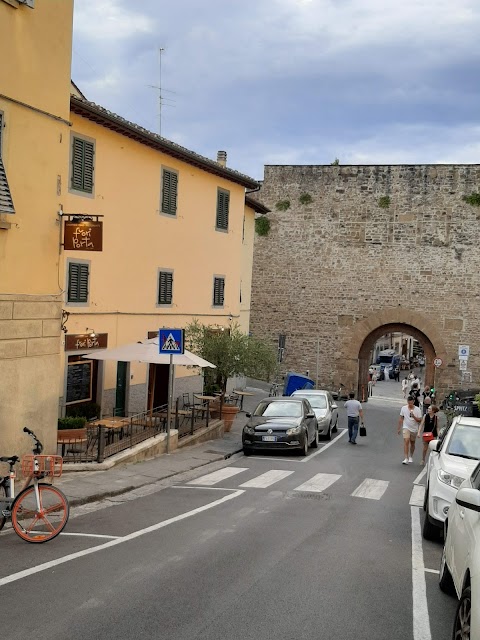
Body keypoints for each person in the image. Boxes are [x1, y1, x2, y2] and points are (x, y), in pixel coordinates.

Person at [397, 395, 422, 464]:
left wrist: (413, 416)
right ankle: (406, 458)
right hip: (406, 427)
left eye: (411, 403)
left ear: (413, 402)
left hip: (414, 428)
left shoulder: (417, 409)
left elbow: (419, 420)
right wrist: (399, 428)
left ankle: (411, 456)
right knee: (406, 441)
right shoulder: (404, 408)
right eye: (409, 403)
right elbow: (401, 418)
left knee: (412, 442)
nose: (410, 404)